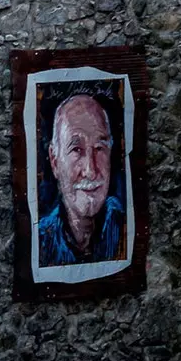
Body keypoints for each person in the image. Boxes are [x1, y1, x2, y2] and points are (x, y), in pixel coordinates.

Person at [37, 93, 125, 266]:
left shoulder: (124, 226)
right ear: (55, 161)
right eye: (77, 149)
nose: (90, 171)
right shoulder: (40, 239)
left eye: (100, 148)